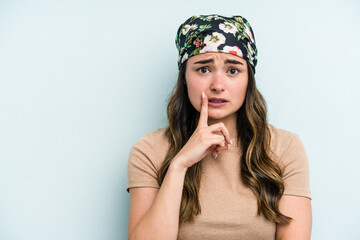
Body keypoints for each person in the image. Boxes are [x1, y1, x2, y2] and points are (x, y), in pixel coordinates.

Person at [126, 14, 312, 240]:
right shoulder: (149, 150)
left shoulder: (284, 147)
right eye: (203, 69)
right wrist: (179, 165)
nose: (217, 85)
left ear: (248, 79)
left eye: (233, 70)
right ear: (184, 77)